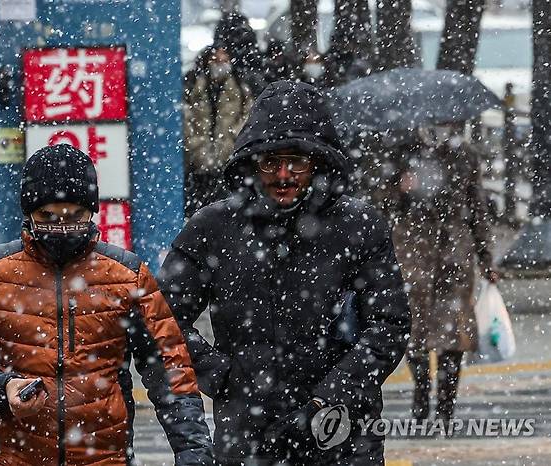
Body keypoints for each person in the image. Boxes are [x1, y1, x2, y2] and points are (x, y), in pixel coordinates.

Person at [160, 81, 411, 465]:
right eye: (270, 163)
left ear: (319, 163)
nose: (283, 175)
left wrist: (329, 396)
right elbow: (163, 319)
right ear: (252, 164)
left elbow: (389, 326)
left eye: (297, 162)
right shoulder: (213, 227)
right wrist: (224, 379)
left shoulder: (359, 226)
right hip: (249, 434)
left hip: (342, 432)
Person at [0, 144, 213, 466]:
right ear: (28, 214)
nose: (62, 228)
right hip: (13, 457)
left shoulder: (128, 276)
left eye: (74, 216)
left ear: (92, 212)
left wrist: (195, 455)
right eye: (47, 217)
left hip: (106, 458)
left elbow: (171, 375)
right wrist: (2, 388)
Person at [388, 126, 498, 427]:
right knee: (415, 330)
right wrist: (398, 189)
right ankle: (422, 393)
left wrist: (486, 257)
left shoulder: (464, 155)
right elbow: (379, 203)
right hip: (414, 251)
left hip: (454, 254)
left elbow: (478, 207)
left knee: (453, 334)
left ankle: (446, 407)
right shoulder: (401, 152)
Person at [183, 46, 253, 217]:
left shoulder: (239, 87)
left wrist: (232, 138)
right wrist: (196, 145)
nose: (220, 65)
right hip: (196, 165)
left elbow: (248, 116)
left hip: (227, 161)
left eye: (224, 61)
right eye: (216, 61)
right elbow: (186, 119)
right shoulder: (193, 86)